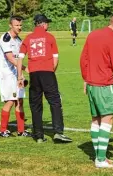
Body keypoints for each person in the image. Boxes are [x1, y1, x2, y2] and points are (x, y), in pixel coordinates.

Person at [80, 13, 113, 168]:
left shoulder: (92, 35)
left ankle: (99, 157)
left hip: (91, 84)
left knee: (96, 119)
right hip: (104, 84)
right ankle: (101, 160)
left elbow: (83, 60)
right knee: (108, 119)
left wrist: (86, 79)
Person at [17, 14, 72, 143]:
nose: (48, 25)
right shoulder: (50, 37)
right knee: (54, 102)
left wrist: (20, 76)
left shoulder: (28, 38)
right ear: (42, 24)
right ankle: (58, 132)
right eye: (47, 23)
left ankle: (39, 136)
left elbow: (20, 58)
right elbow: (55, 58)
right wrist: (51, 72)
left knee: (35, 104)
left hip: (34, 74)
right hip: (48, 72)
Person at [0, 15, 32, 137]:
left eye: (20, 25)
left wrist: (21, 74)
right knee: (11, 101)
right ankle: (2, 130)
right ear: (10, 25)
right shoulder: (5, 39)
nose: (19, 27)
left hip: (17, 74)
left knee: (20, 101)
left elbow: (21, 57)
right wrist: (24, 68)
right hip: (7, 75)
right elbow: (11, 58)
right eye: (16, 25)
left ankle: (21, 130)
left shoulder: (18, 40)